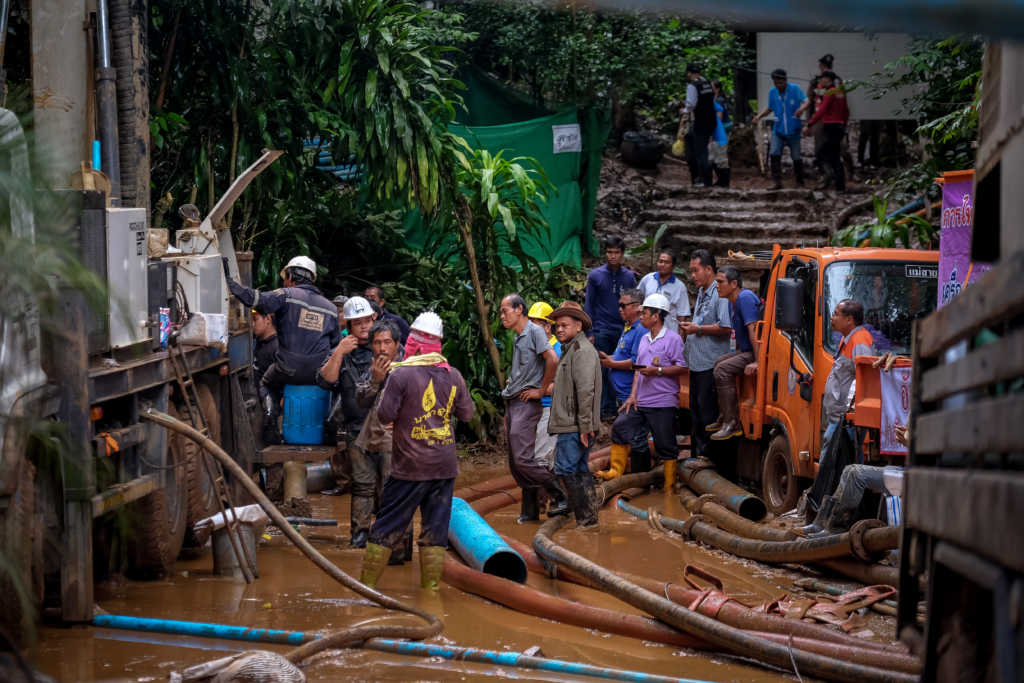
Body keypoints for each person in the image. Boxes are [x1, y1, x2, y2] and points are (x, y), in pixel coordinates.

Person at [359, 313, 474, 591]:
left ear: (414, 343)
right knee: (435, 530)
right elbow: (467, 414)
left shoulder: (401, 374)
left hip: (410, 466)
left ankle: (365, 590)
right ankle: (430, 593)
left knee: (386, 525)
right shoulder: (453, 374)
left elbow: (385, 415)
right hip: (444, 467)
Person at [225, 255, 341, 445]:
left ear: (290, 276)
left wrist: (230, 283)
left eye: (285, 277)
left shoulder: (286, 295)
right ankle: (330, 424)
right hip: (319, 373)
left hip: (288, 369)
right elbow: (336, 345)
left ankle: (271, 423)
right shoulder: (330, 308)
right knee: (341, 383)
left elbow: (255, 299)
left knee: (267, 383)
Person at [801, 299, 875, 519]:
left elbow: (864, 379)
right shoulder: (848, 338)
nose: (832, 318)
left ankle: (829, 513)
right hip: (839, 417)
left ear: (849, 319)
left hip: (846, 420)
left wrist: (851, 414)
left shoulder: (860, 341)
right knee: (831, 464)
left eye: (836, 314)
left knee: (832, 466)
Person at [499, 294, 568, 523]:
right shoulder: (520, 337)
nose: (502, 316)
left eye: (505, 310)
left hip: (535, 406)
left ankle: (559, 495)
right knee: (517, 464)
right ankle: (530, 512)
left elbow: (553, 362)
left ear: (519, 310)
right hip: (517, 401)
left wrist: (541, 389)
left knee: (525, 460)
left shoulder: (537, 334)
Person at [608, 293, 686, 488]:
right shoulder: (643, 339)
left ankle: (669, 489)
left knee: (665, 446)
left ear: (656, 316)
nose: (640, 315)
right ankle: (615, 472)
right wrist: (633, 396)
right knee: (620, 426)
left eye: (645, 313)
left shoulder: (673, 339)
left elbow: (682, 368)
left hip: (662, 402)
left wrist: (658, 371)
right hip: (640, 401)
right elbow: (638, 371)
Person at [346, 318, 405, 551]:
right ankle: (359, 535)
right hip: (367, 436)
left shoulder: (408, 367)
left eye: (387, 342)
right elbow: (360, 400)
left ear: (397, 344)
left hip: (395, 440)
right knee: (362, 487)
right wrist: (375, 381)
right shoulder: (372, 367)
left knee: (393, 489)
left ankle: (395, 543)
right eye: (377, 342)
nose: (382, 348)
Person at [548, 301, 602, 527]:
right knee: (579, 469)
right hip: (574, 423)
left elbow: (585, 391)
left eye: (564, 325)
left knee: (566, 469)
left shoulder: (581, 351)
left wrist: (585, 426)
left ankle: (586, 520)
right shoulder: (572, 350)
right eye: (557, 326)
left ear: (578, 326)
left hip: (574, 425)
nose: (559, 329)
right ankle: (588, 520)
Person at [316, 296, 375, 491]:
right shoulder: (340, 351)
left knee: (389, 485)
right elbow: (325, 381)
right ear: (348, 325)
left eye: (367, 321)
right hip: (355, 429)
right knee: (363, 485)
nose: (364, 326)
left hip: (386, 428)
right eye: (358, 322)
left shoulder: (386, 344)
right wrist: (340, 352)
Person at [679, 250, 732, 460]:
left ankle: (708, 460)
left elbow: (726, 326)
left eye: (696, 270)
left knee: (708, 414)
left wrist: (697, 329)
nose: (693, 275)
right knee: (696, 413)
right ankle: (697, 456)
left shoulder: (721, 294)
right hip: (696, 362)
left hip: (711, 363)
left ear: (709, 269)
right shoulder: (702, 292)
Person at [595, 289, 648, 480]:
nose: (619, 309)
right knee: (630, 433)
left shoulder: (640, 329)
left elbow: (636, 362)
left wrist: (611, 364)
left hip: (633, 393)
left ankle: (639, 477)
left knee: (630, 432)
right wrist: (609, 358)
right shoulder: (627, 328)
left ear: (636, 307)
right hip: (623, 393)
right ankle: (631, 474)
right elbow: (622, 356)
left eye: (623, 305)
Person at [584, 236, 636, 421]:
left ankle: (619, 406)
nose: (612, 256)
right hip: (602, 328)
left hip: (623, 329)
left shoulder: (629, 277)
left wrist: (634, 327)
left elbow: (633, 303)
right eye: (609, 252)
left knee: (622, 366)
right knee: (603, 368)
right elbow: (589, 305)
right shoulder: (596, 275)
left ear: (622, 254)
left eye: (616, 252)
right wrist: (589, 332)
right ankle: (605, 410)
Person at [709, 266, 761, 440]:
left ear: (734, 284)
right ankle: (725, 415)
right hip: (746, 350)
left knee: (722, 369)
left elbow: (753, 330)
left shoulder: (745, 298)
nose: (717, 285)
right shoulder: (733, 302)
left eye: (720, 281)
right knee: (718, 363)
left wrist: (759, 361)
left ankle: (732, 422)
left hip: (755, 352)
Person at [752, 69, 807, 190]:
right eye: (776, 83)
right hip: (779, 129)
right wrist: (759, 116)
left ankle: (800, 182)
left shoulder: (795, 89)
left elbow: (806, 101)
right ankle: (777, 182)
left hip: (794, 129)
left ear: (785, 80)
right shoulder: (772, 92)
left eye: (781, 83)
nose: (779, 85)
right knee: (774, 153)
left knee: (796, 156)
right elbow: (770, 108)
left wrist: (802, 109)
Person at [528, 301, 560, 473]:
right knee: (541, 455)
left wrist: (530, 387)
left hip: (550, 408)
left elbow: (559, 387)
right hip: (534, 407)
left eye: (535, 325)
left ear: (547, 327)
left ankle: (555, 496)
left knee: (541, 458)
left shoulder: (558, 350)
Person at [804, 71, 849, 192]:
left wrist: (809, 123)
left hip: (831, 127)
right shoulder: (840, 92)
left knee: (822, 154)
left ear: (827, 80)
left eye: (821, 79)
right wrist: (843, 124)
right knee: (833, 155)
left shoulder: (829, 92)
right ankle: (839, 185)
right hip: (839, 127)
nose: (820, 82)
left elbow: (821, 110)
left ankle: (832, 178)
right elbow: (846, 110)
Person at [637, 250, 691, 333]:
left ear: (673, 266)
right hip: (645, 332)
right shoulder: (648, 279)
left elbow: (682, 316)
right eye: (660, 261)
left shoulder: (679, 287)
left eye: (666, 262)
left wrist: (680, 339)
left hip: (667, 333)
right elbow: (637, 300)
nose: (662, 265)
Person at [682, 63, 717, 188]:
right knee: (702, 150)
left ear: (690, 73)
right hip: (711, 120)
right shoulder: (707, 83)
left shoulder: (693, 85)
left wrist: (684, 110)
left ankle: (705, 181)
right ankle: (702, 179)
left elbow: (691, 104)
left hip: (700, 121)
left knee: (701, 152)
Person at [710, 82, 731, 187]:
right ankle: (721, 180)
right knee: (716, 156)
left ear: (717, 89)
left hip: (720, 130)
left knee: (719, 156)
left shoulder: (719, 101)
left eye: (711, 87)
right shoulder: (717, 99)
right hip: (720, 129)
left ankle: (724, 182)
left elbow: (719, 117)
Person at [251, 308, 278, 388]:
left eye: (255, 319)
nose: (252, 324)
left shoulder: (277, 348)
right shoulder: (258, 343)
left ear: (267, 319)